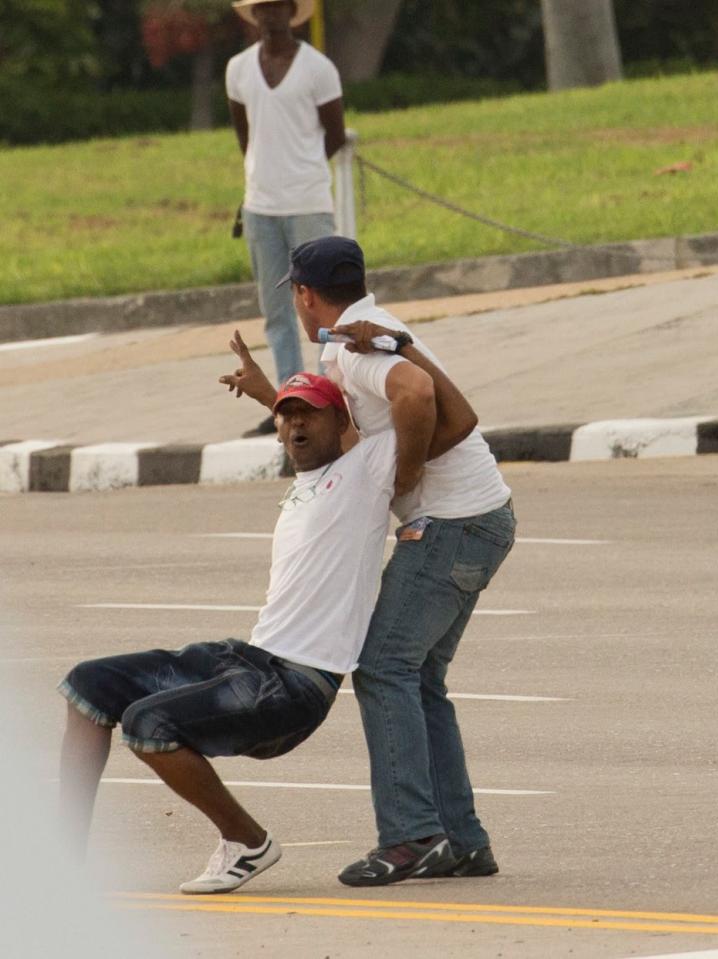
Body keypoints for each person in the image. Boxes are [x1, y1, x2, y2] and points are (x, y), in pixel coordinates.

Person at [57, 351, 479, 894]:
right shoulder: (306, 472)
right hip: (249, 657)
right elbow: (300, 423)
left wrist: (396, 346)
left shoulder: (367, 470)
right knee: (86, 684)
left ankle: (246, 842)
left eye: (310, 414)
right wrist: (269, 393)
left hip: (294, 684)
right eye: (287, 415)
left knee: (149, 725)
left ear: (343, 423)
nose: (296, 424)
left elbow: (456, 418)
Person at [225, 235, 516, 887]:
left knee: (384, 668)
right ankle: (461, 840)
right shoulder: (357, 336)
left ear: (303, 294)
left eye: (295, 295)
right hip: (477, 520)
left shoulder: (358, 346)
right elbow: (345, 438)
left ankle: (411, 837)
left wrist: (406, 478)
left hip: (452, 526)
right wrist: (266, 393)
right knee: (416, 677)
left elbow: (418, 397)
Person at [226, 0, 346, 437]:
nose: (270, 13)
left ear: (294, 11)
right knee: (276, 310)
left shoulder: (318, 68)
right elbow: (245, 133)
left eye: (278, 6)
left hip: (308, 203)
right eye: (262, 7)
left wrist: (301, 171)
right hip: (261, 207)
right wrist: (260, 179)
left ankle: (331, 399)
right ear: (254, 15)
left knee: (322, 307)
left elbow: (333, 133)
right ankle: (288, 399)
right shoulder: (238, 69)